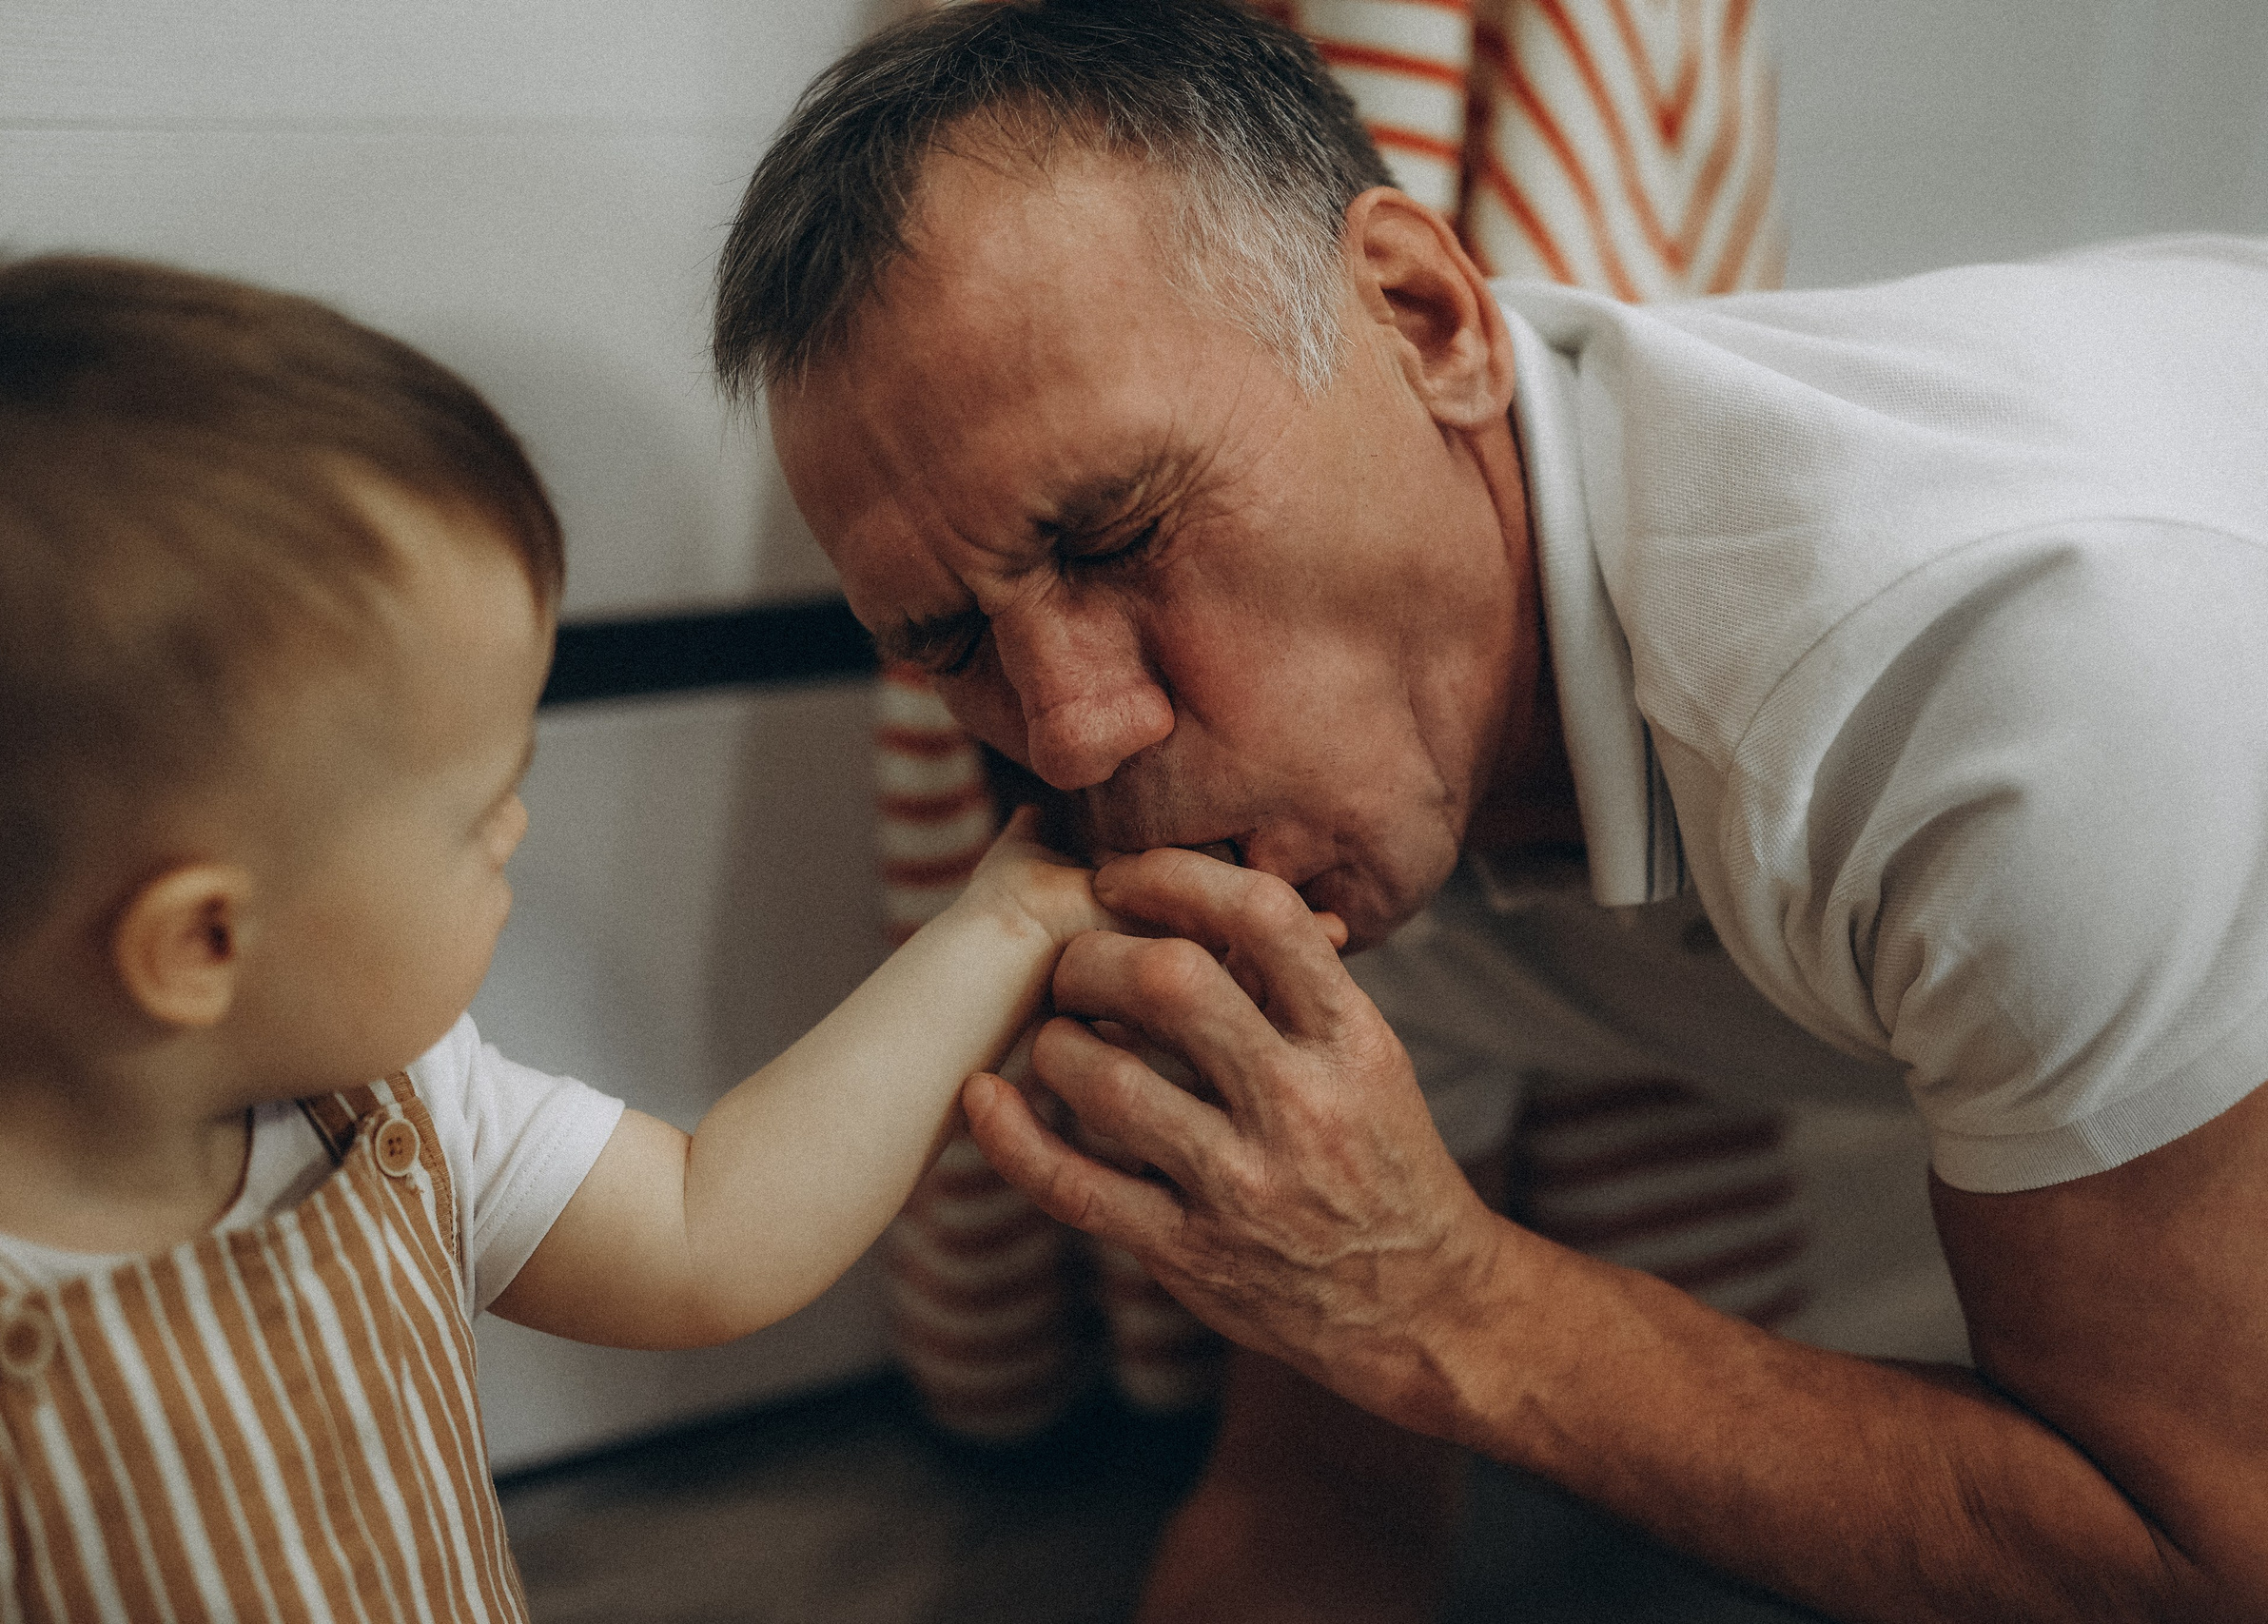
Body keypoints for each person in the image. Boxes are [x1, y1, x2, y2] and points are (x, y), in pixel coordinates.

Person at [712, 2, 2268, 1619]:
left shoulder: (2008, 671)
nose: (1077, 740)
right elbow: (1318, 1499)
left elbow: (2206, 1556)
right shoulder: (1333, 793)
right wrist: (1366, 1310)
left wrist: (1437, 1295)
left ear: (1424, 318)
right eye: (951, 643)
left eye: (1117, 534)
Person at [0, 252, 1183, 1624]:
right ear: (202, 945)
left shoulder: (390, 1111)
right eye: (477, 812)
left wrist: (1004, 921)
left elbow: (710, 1228)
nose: (518, 833)